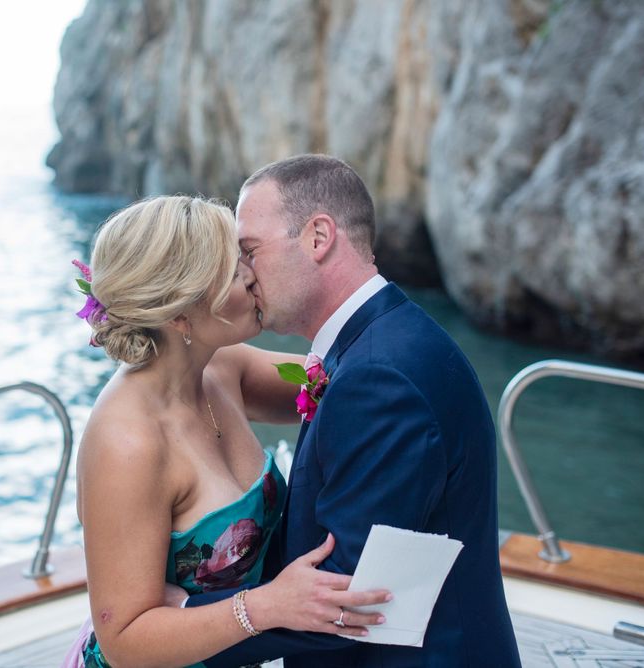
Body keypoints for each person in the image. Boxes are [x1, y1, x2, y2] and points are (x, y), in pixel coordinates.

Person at [184, 155, 522, 667]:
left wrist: (180, 624)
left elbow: (345, 600)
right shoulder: (384, 340)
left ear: (318, 237)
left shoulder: (378, 378)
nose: (244, 275)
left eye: (250, 251)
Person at [61, 195, 390, 668]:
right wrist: (267, 605)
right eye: (235, 270)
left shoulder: (221, 368)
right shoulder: (127, 444)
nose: (254, 275)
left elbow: (347, 383)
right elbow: (124, 639)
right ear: (180, 314)